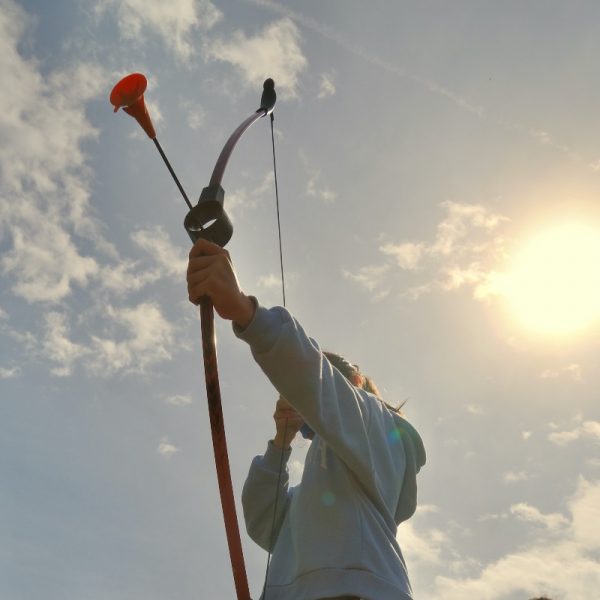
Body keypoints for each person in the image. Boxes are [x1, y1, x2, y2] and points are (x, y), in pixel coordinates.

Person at [187, 238, 427, 600]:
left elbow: (319, 384)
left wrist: (243, 311)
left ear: (356, 383)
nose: (300, 396)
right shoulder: (312, 494)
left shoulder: (377, 425)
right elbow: (261, 520)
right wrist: (280, 443)